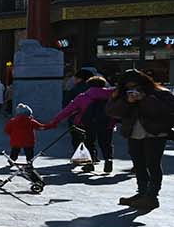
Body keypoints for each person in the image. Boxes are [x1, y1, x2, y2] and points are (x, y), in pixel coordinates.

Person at [106, 70, 174, 211]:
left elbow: (165, 112)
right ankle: (142, 193)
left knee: (152, 163)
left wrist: (145, 99)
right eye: (128, 86)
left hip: (155, 133)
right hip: (133, 133)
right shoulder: (121, 94)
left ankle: (152, 196)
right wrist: (127, 102)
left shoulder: (160, 93)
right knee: (138, 164)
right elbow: (112, 111)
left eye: (135, 85)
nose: (132, 88)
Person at [43, 75, 114, 173]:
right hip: (107, 123)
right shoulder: (111, 95)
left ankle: (90, 164)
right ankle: (108, 160)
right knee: (106, 143)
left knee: (89, 143)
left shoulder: (83, 97)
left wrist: (55, 121)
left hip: (88, 124)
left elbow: (67, 111)